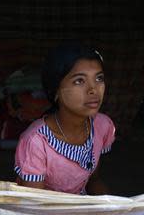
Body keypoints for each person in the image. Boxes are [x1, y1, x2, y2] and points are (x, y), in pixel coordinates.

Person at [14, 44, 115, 195]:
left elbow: (93, 181)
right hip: (46, 214)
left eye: (99, 78)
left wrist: (115, 209)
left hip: (80, 209)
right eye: (79, 81)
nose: (93, 89)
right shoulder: (36, 142)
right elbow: (34, 207)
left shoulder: (102, 126)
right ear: (56, 91)